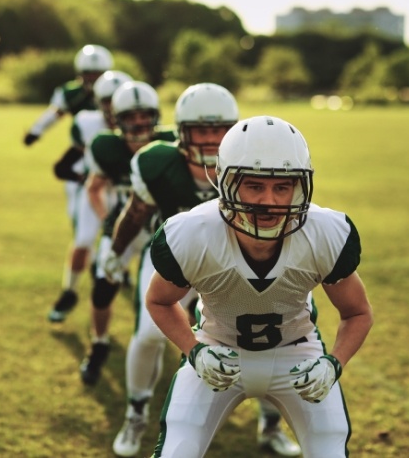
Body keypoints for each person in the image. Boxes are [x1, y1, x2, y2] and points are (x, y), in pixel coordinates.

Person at [145, 115, 374, 458]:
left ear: (299, 186)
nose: (269, 200)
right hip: (217, 349)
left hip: (298, 355)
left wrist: (333, 363)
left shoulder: (325, 233)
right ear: (226, 182)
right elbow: (159, 301)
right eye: (254, 185)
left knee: (330, 449)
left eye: (282, 186)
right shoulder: (193, 234)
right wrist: (195, 350)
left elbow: (357, 312)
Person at [101, 84, 301, 457]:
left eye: (218, 129)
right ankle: (136, 411)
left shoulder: (253, 160)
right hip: (175, 258)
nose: (210, 139)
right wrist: (115, 252)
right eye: (201, 130)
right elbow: (136, 212)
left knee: (273, 337)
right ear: (182, 131)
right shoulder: (157, 163)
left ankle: (271, 423)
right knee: (147, 334)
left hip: (232, 261)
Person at [79, 80, 177, 386]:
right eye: (130, 116)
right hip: (124, 227)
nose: (138, 122)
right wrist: (109, 220)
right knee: (102, 288)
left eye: (144, 115)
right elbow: (94, 188)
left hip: (159, 231)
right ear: (116, 119)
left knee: (169, 295)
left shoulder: (171, 143)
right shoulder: (106, 147)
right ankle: (99, 343)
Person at [47, 70, 132, 322]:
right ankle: (69, 291)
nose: (112, 106)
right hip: (95, 190)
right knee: (83, 240)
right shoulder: (86, 123)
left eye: (117, 99)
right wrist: (79, 177)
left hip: (127, 194)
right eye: (106, 100)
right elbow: (64, 165)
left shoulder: (140, 125)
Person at [23, 44, 113, 146]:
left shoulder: (116, 89)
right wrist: (35, 131)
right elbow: (55, 113)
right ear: (80, 73)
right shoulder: (71, 93)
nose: (93, 78)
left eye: (97, 74)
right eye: (88, 73)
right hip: (83, 143)